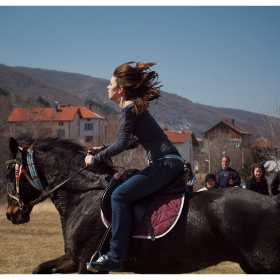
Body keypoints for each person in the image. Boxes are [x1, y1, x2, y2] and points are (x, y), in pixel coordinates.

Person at [84, 62, 184, 272]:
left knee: (119, 196)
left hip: (165, 163)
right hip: (169, 162)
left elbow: (121, 144)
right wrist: (101, 148)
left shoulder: (128, 109)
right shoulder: (131, 109)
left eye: (109, 84)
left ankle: (116, 255)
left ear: (120, 89)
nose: (107, 87)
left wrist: (95, 159)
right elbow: (132, 142)